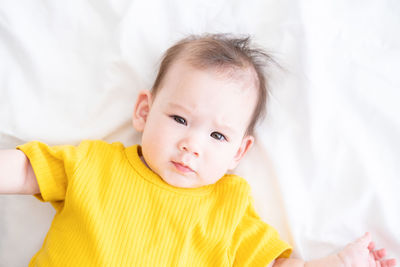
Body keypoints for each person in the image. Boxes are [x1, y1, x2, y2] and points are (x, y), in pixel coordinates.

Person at [0, 33, 396, 267]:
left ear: (240, 152)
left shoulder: (230, 206)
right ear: (144, 111)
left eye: (218, 137)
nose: (192, 145)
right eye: (180, 120)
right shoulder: (94, 163)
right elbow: (24, 170)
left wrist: (338, 263)